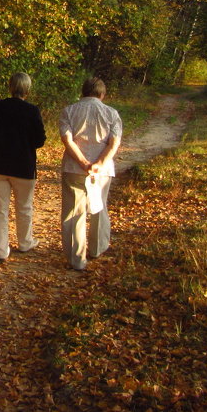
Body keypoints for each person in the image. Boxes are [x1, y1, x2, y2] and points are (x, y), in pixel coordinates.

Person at [0, 72, 47, 261]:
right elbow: (40, 140)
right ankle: (25, 242)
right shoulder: (32, 111)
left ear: (10, 86)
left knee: (0, 209)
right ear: (28, 89)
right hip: (23, 167)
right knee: (24, 207)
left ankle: (1, 250)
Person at [58, 77, 122, 271]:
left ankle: (76, 259)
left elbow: (67, 140)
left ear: (83, 92)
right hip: (102, 171)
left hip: (74, 168)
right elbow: (114, 142)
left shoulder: (69, 111)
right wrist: (99, 163)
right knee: (99, 207)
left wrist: (84, 163)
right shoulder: (111, 113)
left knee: (73, 212)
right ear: (102, 95)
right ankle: (96, 249)